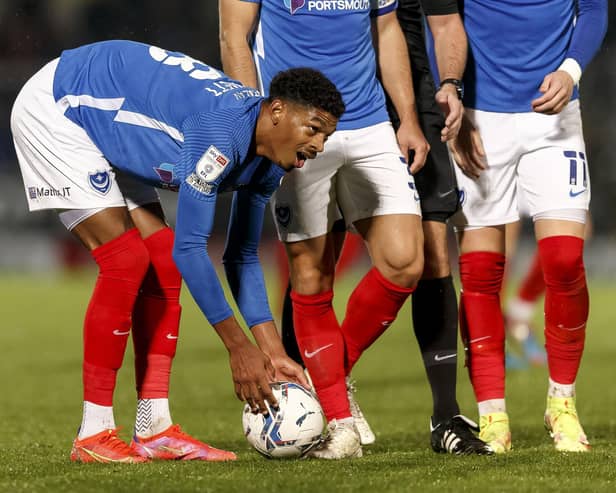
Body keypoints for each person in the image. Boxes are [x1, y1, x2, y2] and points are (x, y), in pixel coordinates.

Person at [11, 39, 344, 463]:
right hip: (62, 106)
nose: (317, 146)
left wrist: (273, 352)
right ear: (276, 110)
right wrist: (239, 349)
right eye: (313, 129)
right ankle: (93, 433)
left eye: (325, 136)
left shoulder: (271, 159)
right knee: (125, 260)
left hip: (110, 120)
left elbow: (240, 255)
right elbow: (193, 249)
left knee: (162, 263)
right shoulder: (220, 133)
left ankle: (154, 429)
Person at [221, 0, 488, 458]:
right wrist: (260, 127)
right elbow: (233, 38)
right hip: (297, 128)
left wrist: (406, 117)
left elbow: (387, 32)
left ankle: (327, 376)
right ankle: (341, 426)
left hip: (369, 122)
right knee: (311, 277)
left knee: (406, 260)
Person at [450, 0, 607, 453]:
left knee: (565, 259)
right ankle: (492, 414)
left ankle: (562, 403)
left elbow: (595, 9)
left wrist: (571, 70)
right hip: (480, 118)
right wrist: (452, 94)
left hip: (553, 116)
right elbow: (439, 21)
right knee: (480, 272)